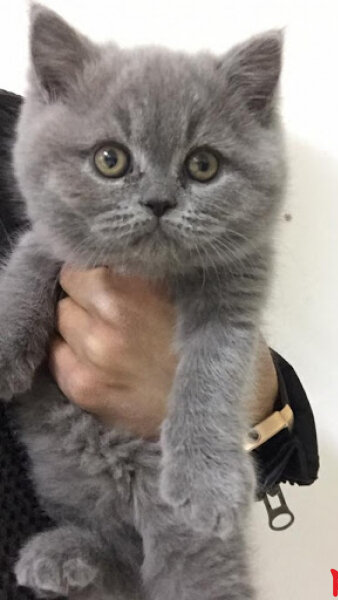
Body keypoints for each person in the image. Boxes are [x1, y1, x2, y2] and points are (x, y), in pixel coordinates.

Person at [0, 89, 319, 599]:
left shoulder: (25, 125)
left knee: (194, 548)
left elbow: (276, 432)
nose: (156, 195)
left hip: (171, 485)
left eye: (201, 164)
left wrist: (245, 406)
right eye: (113, 161)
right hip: (72, 502)